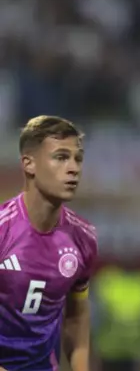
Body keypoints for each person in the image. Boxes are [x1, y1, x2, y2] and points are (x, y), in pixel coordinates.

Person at [0, 116, 98, 371]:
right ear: (29, 164)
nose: (74, 168)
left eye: (78, 159)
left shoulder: (83, 237)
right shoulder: (3, 230)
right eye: (61, 157)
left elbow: (77, 317)